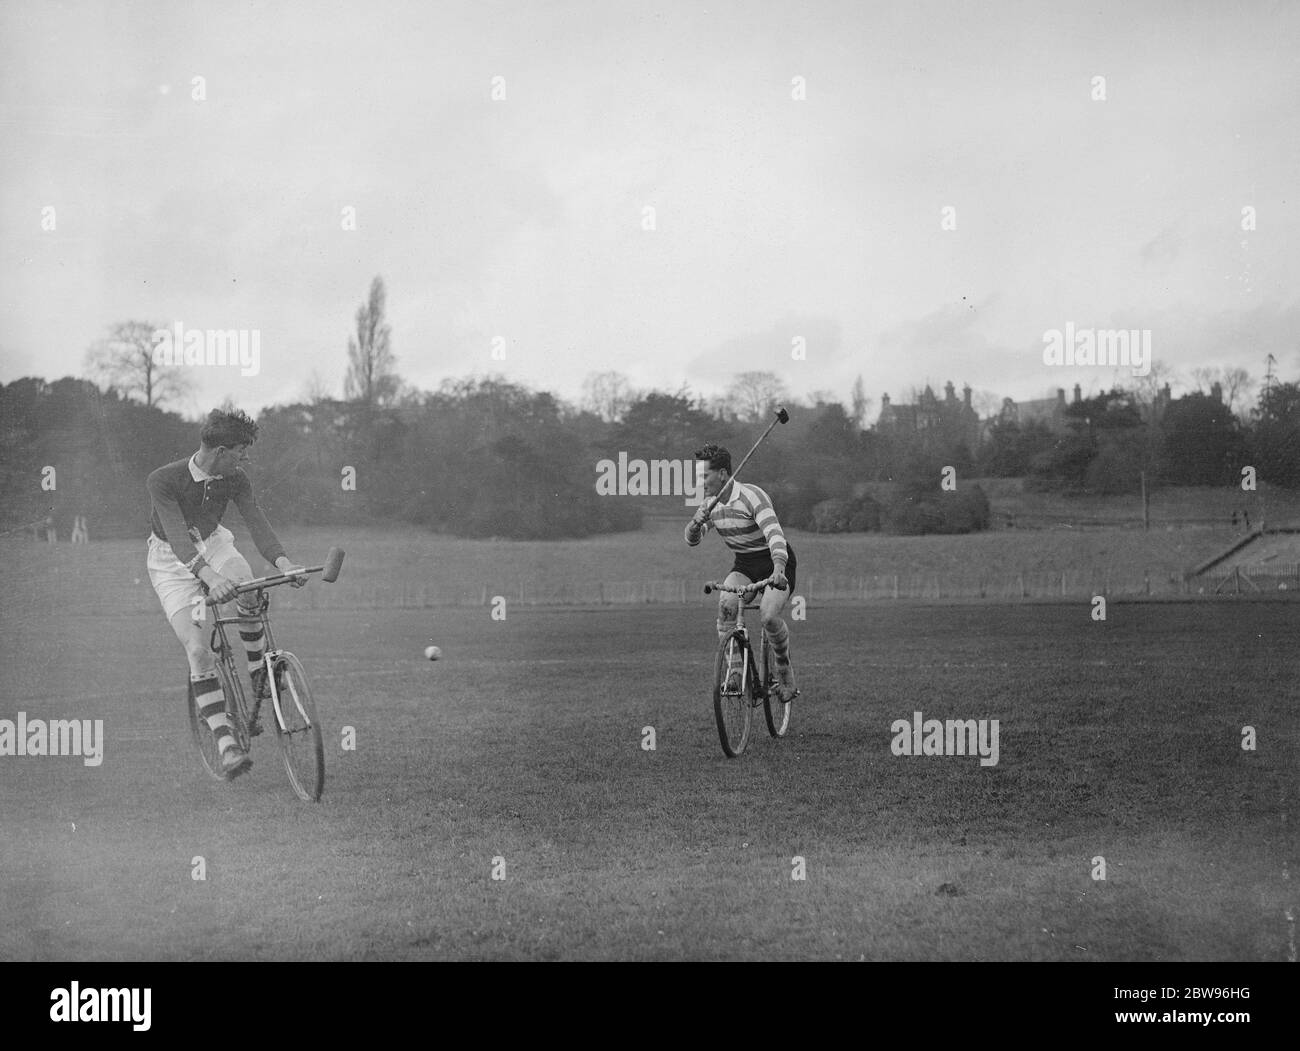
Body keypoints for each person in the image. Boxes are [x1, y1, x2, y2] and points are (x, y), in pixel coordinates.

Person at [146, 408, 306, 778]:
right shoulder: (163, 480)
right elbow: (175, 535)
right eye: (240, 452)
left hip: (213, 543)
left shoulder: (235, 478)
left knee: (246, 582)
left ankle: (257, 673)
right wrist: (208, 578)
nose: (245, 459)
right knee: (198, 650)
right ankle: (226, 746)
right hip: (171, 559)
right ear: (219, 451)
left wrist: (284, 563)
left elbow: (257, 522)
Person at [686, 442, 799, 701]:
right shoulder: (710, 505)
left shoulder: (752, 496)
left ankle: (784, 671)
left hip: (774, 561)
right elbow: (692, 539)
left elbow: (775, 535)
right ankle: (737, 674)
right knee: (726, 605)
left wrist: (779, 568)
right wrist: (696, 523)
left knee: (768, 616)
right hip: (745, 565)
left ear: (723, 474)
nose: (701, 482)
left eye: (705, 476)